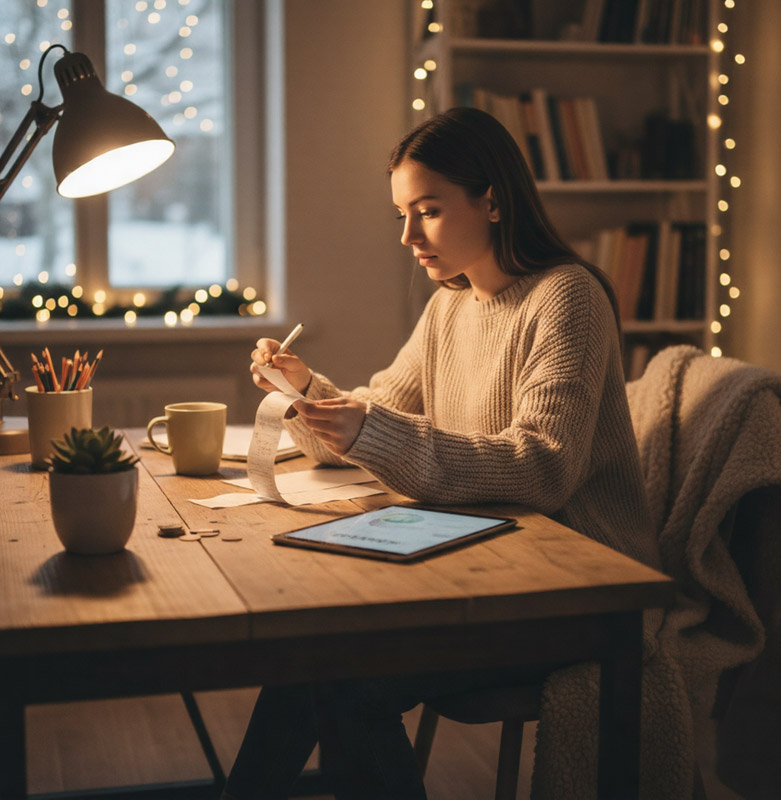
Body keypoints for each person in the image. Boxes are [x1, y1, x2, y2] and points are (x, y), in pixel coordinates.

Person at [221, 107, 659, 800]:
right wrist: (303, 391)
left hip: (576, 585)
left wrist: (370, 429)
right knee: (314, 658)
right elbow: (378, 417)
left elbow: (542, 467)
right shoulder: (450, 306)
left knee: (345, 684)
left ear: (493, 201)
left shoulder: (568, 297)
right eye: (402, 214)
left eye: (427, 211)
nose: (408, 235)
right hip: (487, 563)